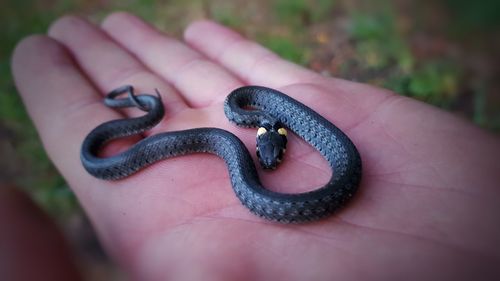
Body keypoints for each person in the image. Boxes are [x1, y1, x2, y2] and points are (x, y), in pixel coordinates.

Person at [7, 12, 500, 280]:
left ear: (275, 134)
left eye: (275, 153)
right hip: (221, 127)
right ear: (268, 132)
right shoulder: (241, 116)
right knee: (197, 143)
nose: (273, 165)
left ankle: (146, 112)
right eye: (272, 153)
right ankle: (147, 112)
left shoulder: (264, 122)